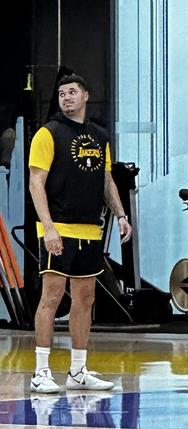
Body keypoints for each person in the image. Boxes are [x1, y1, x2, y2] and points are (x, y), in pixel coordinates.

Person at [28, 74, 132, 393]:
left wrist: (121, 215)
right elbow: (36, 182)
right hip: (58, 227)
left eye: (72, 92)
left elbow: (106, 180)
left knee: (86, 299)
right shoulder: (48, 133)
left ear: (86, 95)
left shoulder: (99, 136)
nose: (67, 98)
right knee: (52, 296)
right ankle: (41, 371)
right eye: (62, 93)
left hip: (89, 228)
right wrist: (48, 227)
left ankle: (77, 371)